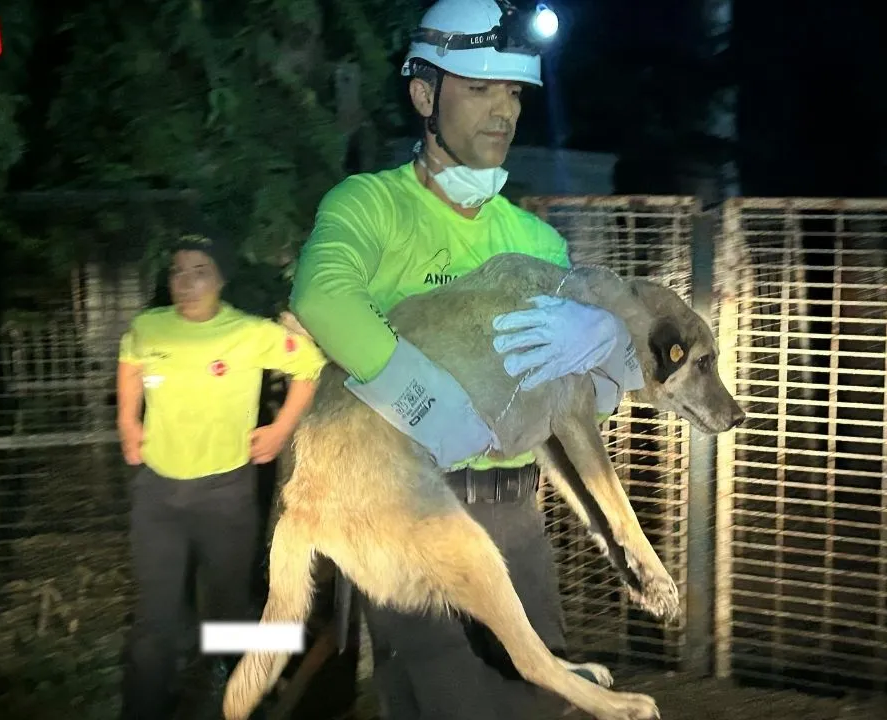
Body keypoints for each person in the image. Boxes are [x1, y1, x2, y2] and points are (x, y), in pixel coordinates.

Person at [287, 0, 643, 717]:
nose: (502, 111)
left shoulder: (535, 239)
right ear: (424, 94)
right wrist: (426, 401)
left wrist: (605, 348)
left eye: (511, 93)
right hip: (405, 508)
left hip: (516, 513)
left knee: (526, 704)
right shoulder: (370, 205)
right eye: (478, 89)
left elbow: (587, 399)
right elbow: (322, 297)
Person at [116, 224, 327, 720]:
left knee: (229, 608)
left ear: (221, 279)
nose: (185, 281)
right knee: (156, 617)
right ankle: (145, 706)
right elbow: (130, 363)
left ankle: (240, 699)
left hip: (225, 495)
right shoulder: (149, 327)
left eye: (200, 271)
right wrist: (128, 419)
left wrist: (280, 429)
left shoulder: (250, 333)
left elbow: (310, 366)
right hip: (158, 495)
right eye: (178, 271)